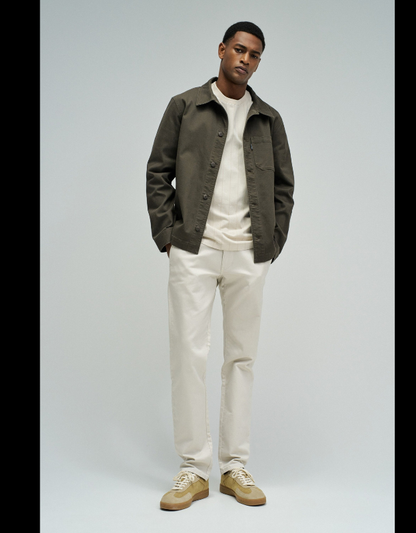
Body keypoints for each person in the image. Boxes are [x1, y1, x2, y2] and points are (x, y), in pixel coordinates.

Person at [146, 21, 295, 511]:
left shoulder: (268, 119)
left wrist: (272, 242)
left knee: (241, 358)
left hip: (249, 252)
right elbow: (157, 171)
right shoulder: (185, 106)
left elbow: (284, 187)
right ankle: (193, 469)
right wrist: (170, 237)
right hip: (195, 248)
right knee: (189, 355)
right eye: (238, 49)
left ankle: (234, 467)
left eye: (254, 54)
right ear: (221, 50)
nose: (245, 59)